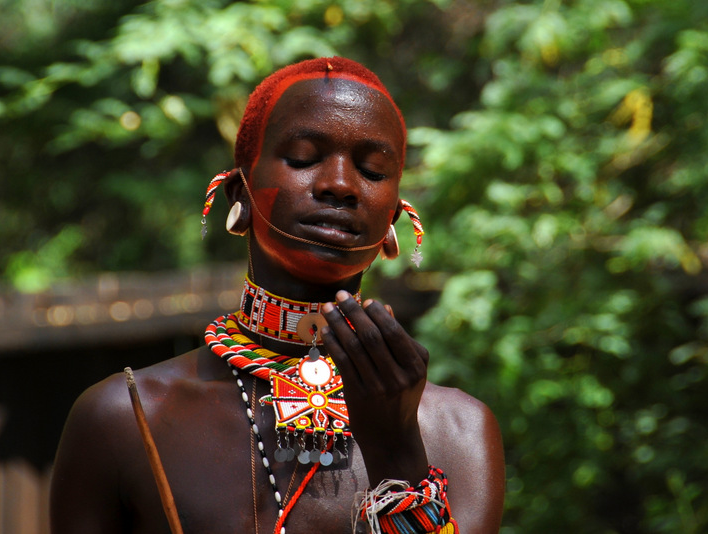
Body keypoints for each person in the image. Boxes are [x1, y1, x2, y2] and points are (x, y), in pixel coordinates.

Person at [50, 56, 505, 534]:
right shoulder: (122, 417)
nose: (339, 185)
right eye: (304, 158)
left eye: (372, 171)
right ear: (238, 195)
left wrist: (397, 451)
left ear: (393, 219)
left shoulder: (457, 431)